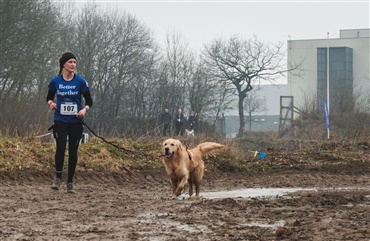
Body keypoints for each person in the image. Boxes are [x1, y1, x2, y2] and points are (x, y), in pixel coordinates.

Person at [47, 51, 93, 193]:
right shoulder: (56, 81)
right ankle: (58, 177)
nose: (73, 65)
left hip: (75, 120)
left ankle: (70, 182)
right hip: (60, 119)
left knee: (73, 150)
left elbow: (89, 101)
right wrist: (51, 103)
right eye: (70, 62)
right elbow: (49, 97)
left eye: (74, 62)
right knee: (60, 147)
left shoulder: (80, 81)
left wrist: (84, 109)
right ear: (63, 65)